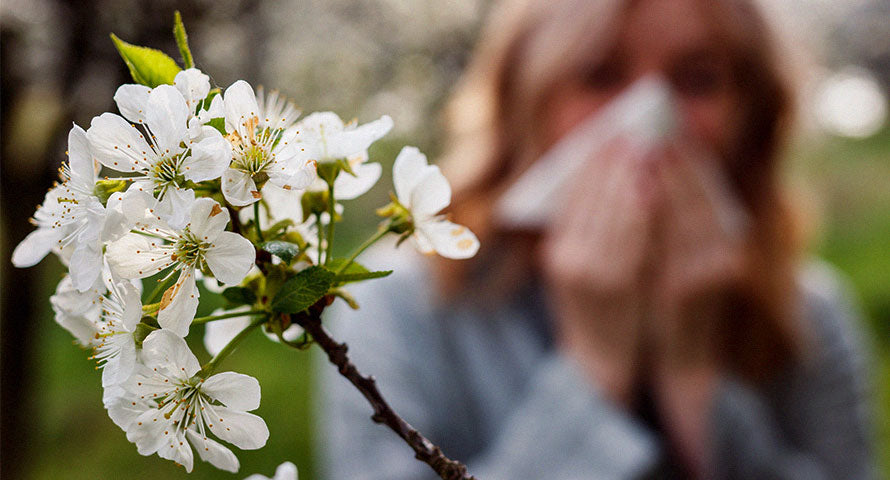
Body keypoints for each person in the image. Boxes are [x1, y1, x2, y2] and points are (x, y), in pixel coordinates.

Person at [318, 0, 876, 478]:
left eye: (698, 79)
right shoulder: (402, 308)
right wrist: (594, 362)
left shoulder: (808, 317)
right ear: (525, 100)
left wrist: (693, 372)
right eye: (600, 75)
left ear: (750, 116)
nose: (650, 117)